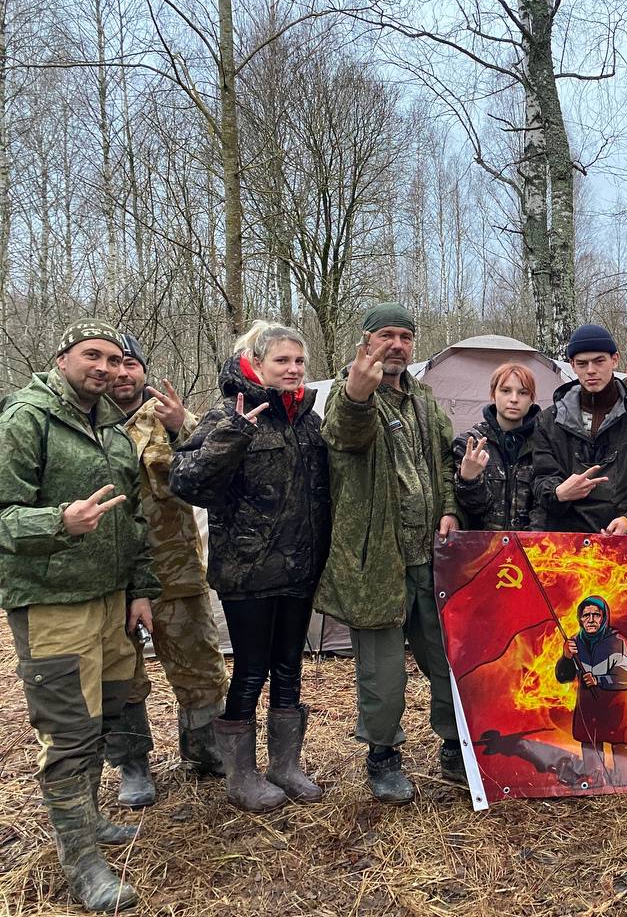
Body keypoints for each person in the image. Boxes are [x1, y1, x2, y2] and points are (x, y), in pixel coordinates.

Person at [0, 319, 159, 910]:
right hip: (52, 605)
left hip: (111, 603)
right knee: (68, 734)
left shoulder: (113, 431)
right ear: (62, 356)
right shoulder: (27, 419)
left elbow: (135, 517)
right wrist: (56, 523)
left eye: (116, 359)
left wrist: (141, 587)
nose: (107, 368)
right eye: (93, 355)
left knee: (105, 716)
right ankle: (83, 863)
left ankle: (87, 821)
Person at [170, 321, 329, 813]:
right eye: (282, 360)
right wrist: (235, 435)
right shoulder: (228, 414)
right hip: (249, 569)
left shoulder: (308, 418)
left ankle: (285, 766)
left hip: (300, 566)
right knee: (252, 668)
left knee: (289, 667)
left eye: (299, 361)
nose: (293, 369)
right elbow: (189, 484)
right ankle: (240, 774)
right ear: (257, 363)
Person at [314, 303, 461, 803]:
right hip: (378, 560)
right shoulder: (347, 391)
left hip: (429, 557)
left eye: (405, 336)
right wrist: (358, 393)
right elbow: (343, 435)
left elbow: (442, 459)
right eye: (385, 336)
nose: (396, 345)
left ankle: (454, 745)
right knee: (384, 672)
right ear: (365, 341)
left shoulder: (422, 397)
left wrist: (450, 509)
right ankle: (382, 755)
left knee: (445, 659)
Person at [103, 333, 230, 808]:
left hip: (175, 570)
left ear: (142, 371)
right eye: (113, 363)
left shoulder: (166, 418)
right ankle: (133, 765)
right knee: (121, 675)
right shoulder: (83, 425)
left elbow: (214, 462)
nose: (122, 372)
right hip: (110, 577)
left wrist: (182, 427)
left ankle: (204, 751)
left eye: (130, 363)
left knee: (199, 666)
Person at [528, 323, 627, 534]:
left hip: (626, 542)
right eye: (582, 363)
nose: (591, 370)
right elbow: (540, 477)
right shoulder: (549, 420)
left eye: (599, 361)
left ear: (614, 359)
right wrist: (558, 492)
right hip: (562, 544)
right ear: (572, 365)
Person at [554, 596, 627, 787]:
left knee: (620, 745)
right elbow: (563, 677)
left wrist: (599, 679)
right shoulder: (575, 642)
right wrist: (566, 657)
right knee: (590, 741)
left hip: (618, 703)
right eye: (586, 615)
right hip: (589, 704)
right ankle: (594, 780)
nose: (591, 619)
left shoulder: (618, 642)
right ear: (580, 619)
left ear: (603, 617)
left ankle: (624, 782)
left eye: (596, 615)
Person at [452, 362, 541, 531]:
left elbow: (544, 507)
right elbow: (473, 508)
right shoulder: (471, 443)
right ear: (493, 394)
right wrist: (468, 480)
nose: (514, 399)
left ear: (532, 398)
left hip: (530, 548)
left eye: (523, 393)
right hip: (483, 549)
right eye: (506, 391)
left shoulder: (543, 444)